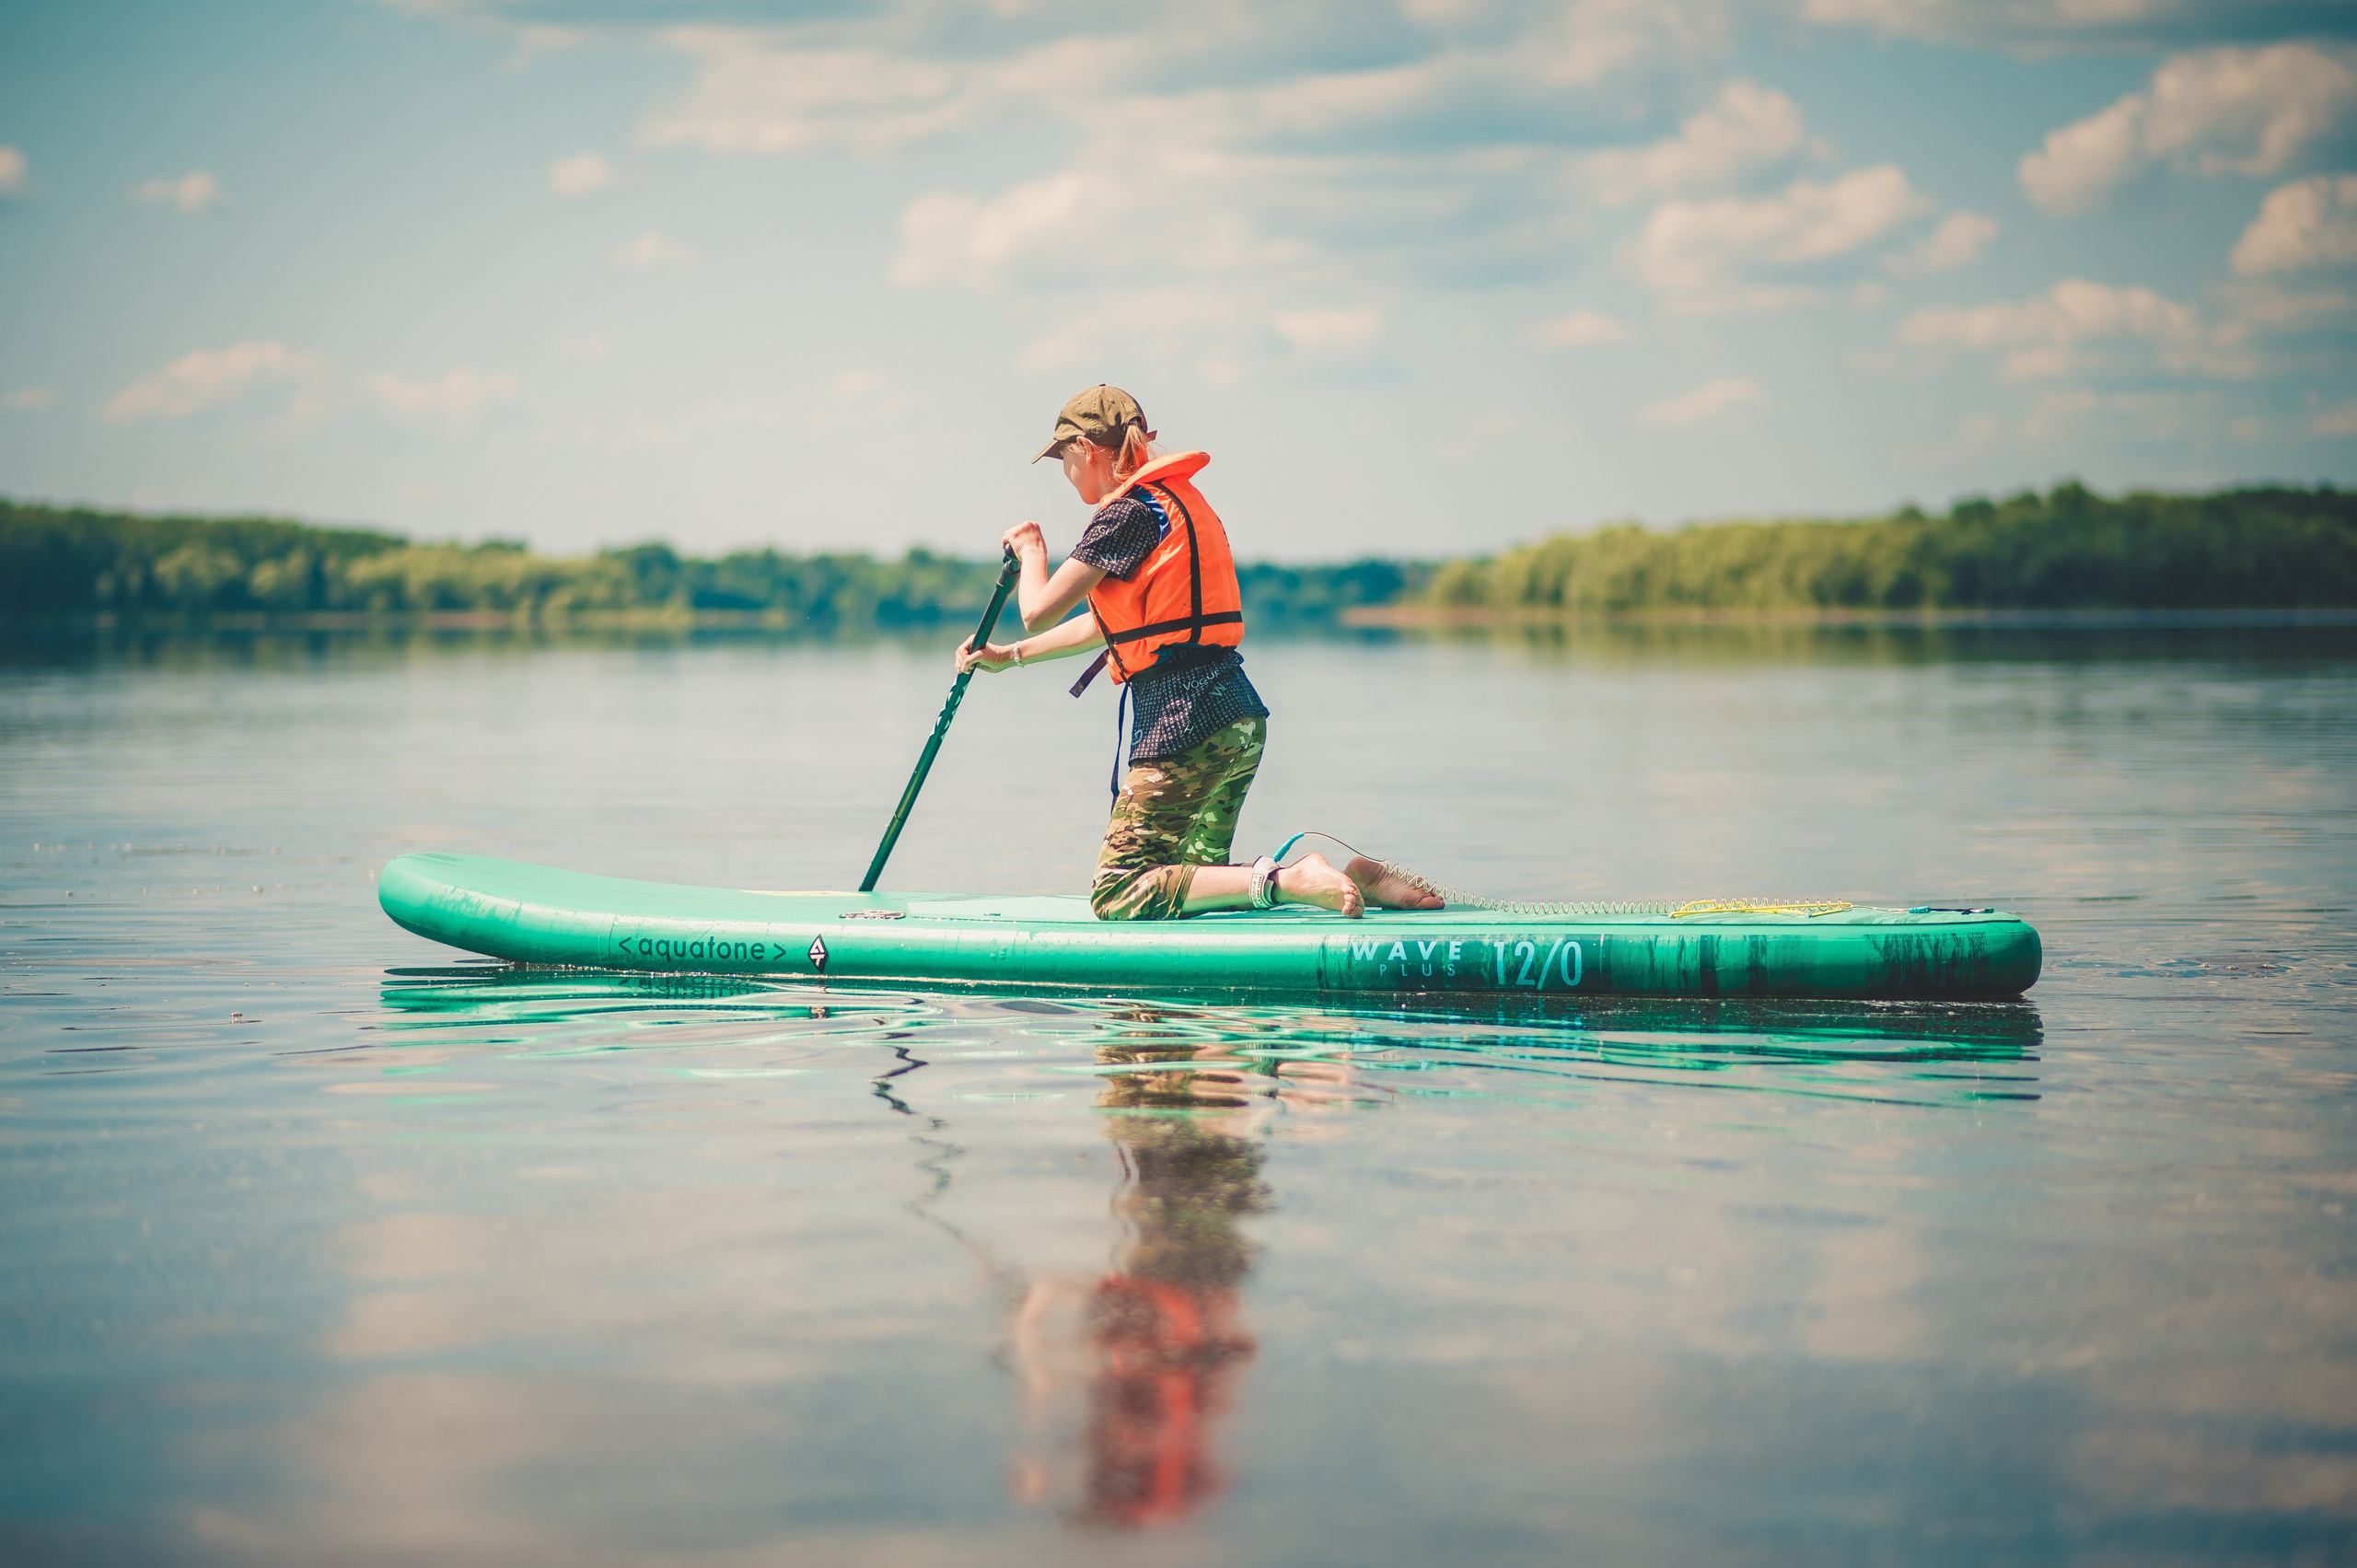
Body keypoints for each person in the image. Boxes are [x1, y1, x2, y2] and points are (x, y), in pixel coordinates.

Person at [957, 384, 1442, 921]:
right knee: (1201, 884)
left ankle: (1293, 878)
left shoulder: (1125, 515)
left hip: (1184, 723)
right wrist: (1012, 655)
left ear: (1086, 450)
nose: (1066, 473)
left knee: (1118, 890)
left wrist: (1032, 551)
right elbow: (1109, 625)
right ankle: (1356, 881)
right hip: (1237, 715)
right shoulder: (1169, 504)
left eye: (1063, 459)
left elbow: (1037, 609)